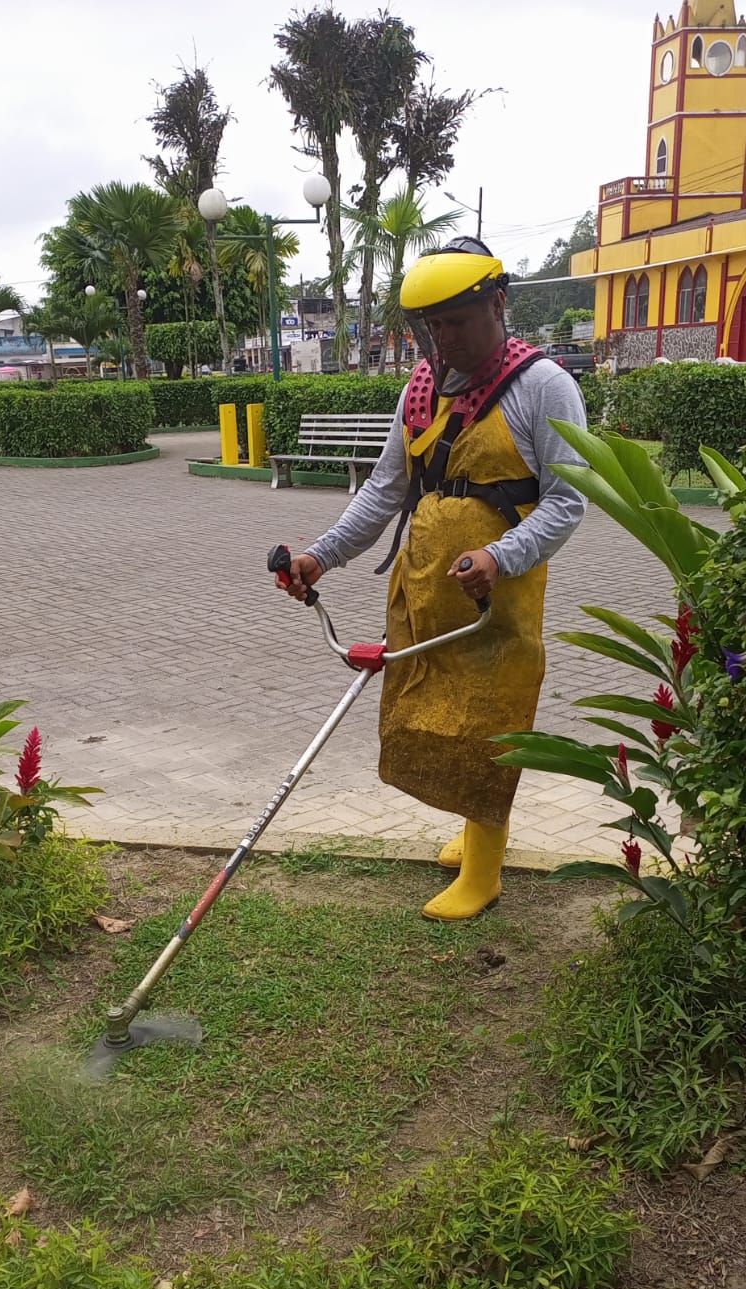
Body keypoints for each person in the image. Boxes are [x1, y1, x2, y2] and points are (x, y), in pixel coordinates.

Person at [279, 239, 588, 921]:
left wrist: (502, 556)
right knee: (435, 714)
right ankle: (474, 829)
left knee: (491, 722)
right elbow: (385, 489)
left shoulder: (544, 386)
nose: (442, 340)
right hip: (423, 585)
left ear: (498, 304)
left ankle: (484, 871)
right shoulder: (421, 386)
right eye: (431, 326)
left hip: (496, 595)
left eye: (455, 322)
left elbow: (569, 500)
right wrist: (322, 555)